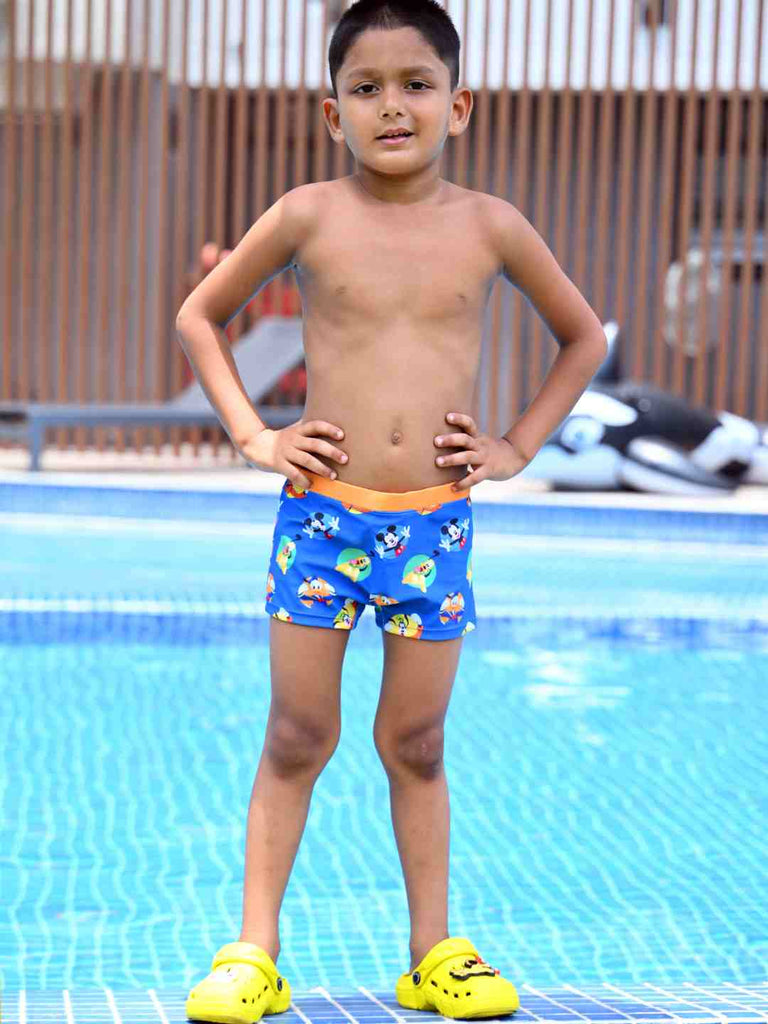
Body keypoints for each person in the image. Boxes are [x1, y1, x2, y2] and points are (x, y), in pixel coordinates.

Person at [176, 2, 607, 1021]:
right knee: (296, 733)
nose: (393, 106)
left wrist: (516, 445)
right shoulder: (307, 215)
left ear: (460, 104)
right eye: (366, 89)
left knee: (416, 742)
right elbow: (201, 315)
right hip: (322, 519)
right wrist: (255, 435)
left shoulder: (492, 226)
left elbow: (582, 337)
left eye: (416, 84)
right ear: (334, 114)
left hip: (435, 527)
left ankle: (433, 952)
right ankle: (253, 951)